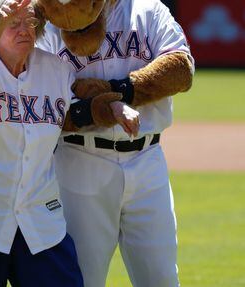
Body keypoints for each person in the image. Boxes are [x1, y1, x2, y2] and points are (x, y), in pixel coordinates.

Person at [0, 0, 138, 286]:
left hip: (38, 217)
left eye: (30, 23)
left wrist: (115, 108)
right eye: (13, 24)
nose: (24, 30)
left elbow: (79, 108)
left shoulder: (55, 69)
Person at [37, 0, 195, 286]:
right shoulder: (55, 16)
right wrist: (99, 108)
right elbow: (45, 104)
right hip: (80, 160)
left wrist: (116, 92)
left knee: (162, 279)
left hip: (147, 159)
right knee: (82, 278)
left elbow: (181, 70)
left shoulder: (148, 10)